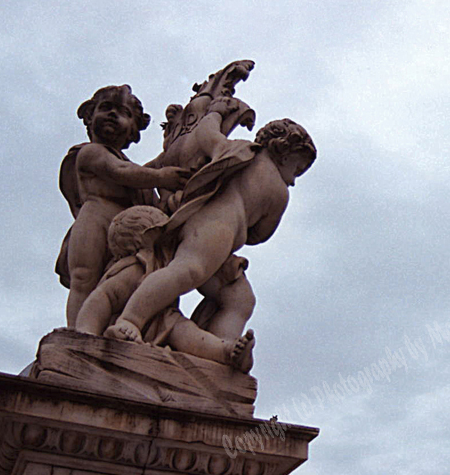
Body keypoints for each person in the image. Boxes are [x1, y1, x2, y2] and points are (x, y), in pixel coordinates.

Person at [105, 118, 315, 343]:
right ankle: (130, 320)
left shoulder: (238, 150)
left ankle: (221, 351)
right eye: (297, 169)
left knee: (240, 298)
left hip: (214, 237)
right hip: (216, 230)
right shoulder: (279, 191)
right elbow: (261, 234)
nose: (293, 181)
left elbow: (206, 135)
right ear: (284, 153)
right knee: (187, 271)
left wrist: (215, 114)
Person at [55, 85, 188, 327]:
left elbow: (141, 173)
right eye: (106, 108)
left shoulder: (135, 170)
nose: (113, 115)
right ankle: (76, 333)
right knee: (85, 278)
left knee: (121, 283)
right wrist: (162, 176)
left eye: (124, 113)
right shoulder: (90, 153)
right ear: (89, 117)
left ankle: (107, 327)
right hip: (95, 220)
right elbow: (121, 171)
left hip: (127, 233)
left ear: (133, 132)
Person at [76, 205, 255, 371]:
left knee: (187, 332)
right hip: (126, 327)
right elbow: (102, 298)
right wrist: (86, 335)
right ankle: (225, 351)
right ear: (149, 237)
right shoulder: (136, 268)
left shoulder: (164, 266)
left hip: (165, 318)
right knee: (182, 330)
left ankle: (226, 351)